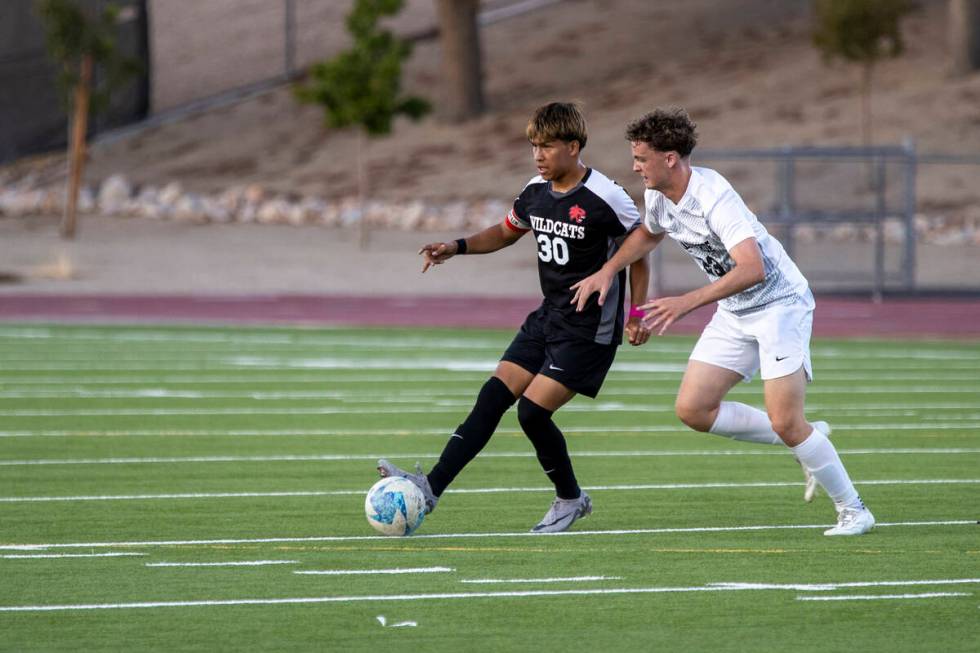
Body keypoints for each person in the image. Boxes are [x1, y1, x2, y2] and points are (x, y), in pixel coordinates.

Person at [570, 108, 875, 536]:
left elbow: (753, 269)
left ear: (670, 158)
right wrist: (609, 273)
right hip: (736, 311)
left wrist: (686, 303)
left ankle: (854, 509)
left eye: (641, 158)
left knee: (787, 420)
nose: (635, 166)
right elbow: (648, 235)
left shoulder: (714, 197)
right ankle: (808, 439)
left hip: (779, 307)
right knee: (693, 409)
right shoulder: (659, 195)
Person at [377, 101, 651, 533]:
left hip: (588, 331)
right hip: (547, 318)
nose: (538, 155)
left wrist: (635, 314)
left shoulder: (607, 197)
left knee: (531, 414)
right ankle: (429, 489)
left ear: (574, 146)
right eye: (533, 147)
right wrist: (457, 245)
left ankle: (570, 499)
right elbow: (507, 232)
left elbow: (640, 251)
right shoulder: (535, 191)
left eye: (547, 146)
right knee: (491, 398)